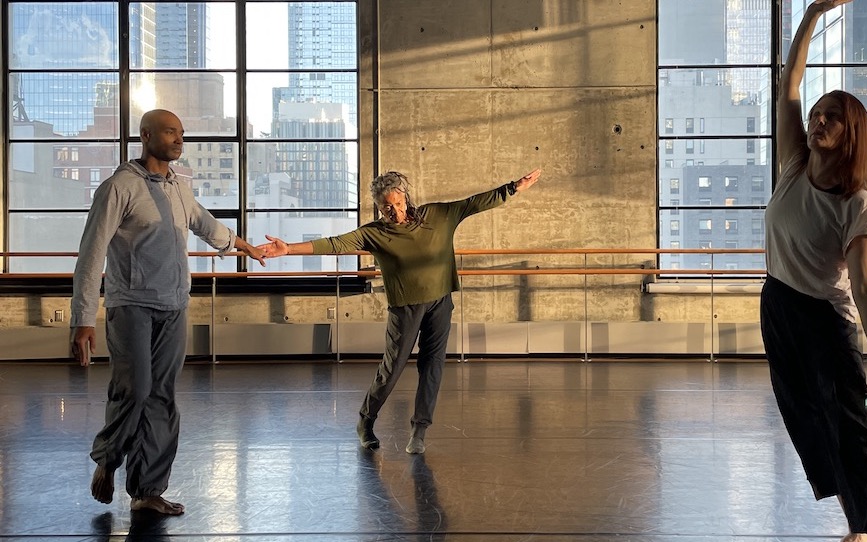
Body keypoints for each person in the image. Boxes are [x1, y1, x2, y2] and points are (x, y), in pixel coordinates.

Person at [761, 1, 867, 541]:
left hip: (825, 322)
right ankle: (860, 525)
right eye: (816, 113)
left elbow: (862, 284)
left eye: (831, 116)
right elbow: (790, 85)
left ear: (850, 130)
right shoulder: (793, 164)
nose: (817, 119)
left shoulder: (855, 203)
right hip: (779, 306)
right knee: (812, 426)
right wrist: (810, 13)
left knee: (856, 430)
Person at [257, 168, 542, 454]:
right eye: (386, 207)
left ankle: (419, 429)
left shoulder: (438, 216)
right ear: (379, 208)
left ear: (405, 196)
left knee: (432, 367)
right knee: (392, 369)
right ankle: (365, 421)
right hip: (404, 308)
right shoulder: (374, 233)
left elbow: (474, 203)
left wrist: (514, 187)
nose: (394, 210)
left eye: (397, 202)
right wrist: (289, 249)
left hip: (440, 302)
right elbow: (335, 244)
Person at [71, 109, 266, 515]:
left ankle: (146, 491)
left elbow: (202, 222)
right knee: (136, 390)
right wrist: (83, 319)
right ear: (145, 136)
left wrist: (238, 244)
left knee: (162, 399)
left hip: (174, 306)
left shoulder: (179, 186)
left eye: (181, 132)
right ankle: (108, 459)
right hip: (131, 306)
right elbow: (91, 255)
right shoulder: (119, 187)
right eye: (170, 131)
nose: (179, 139)